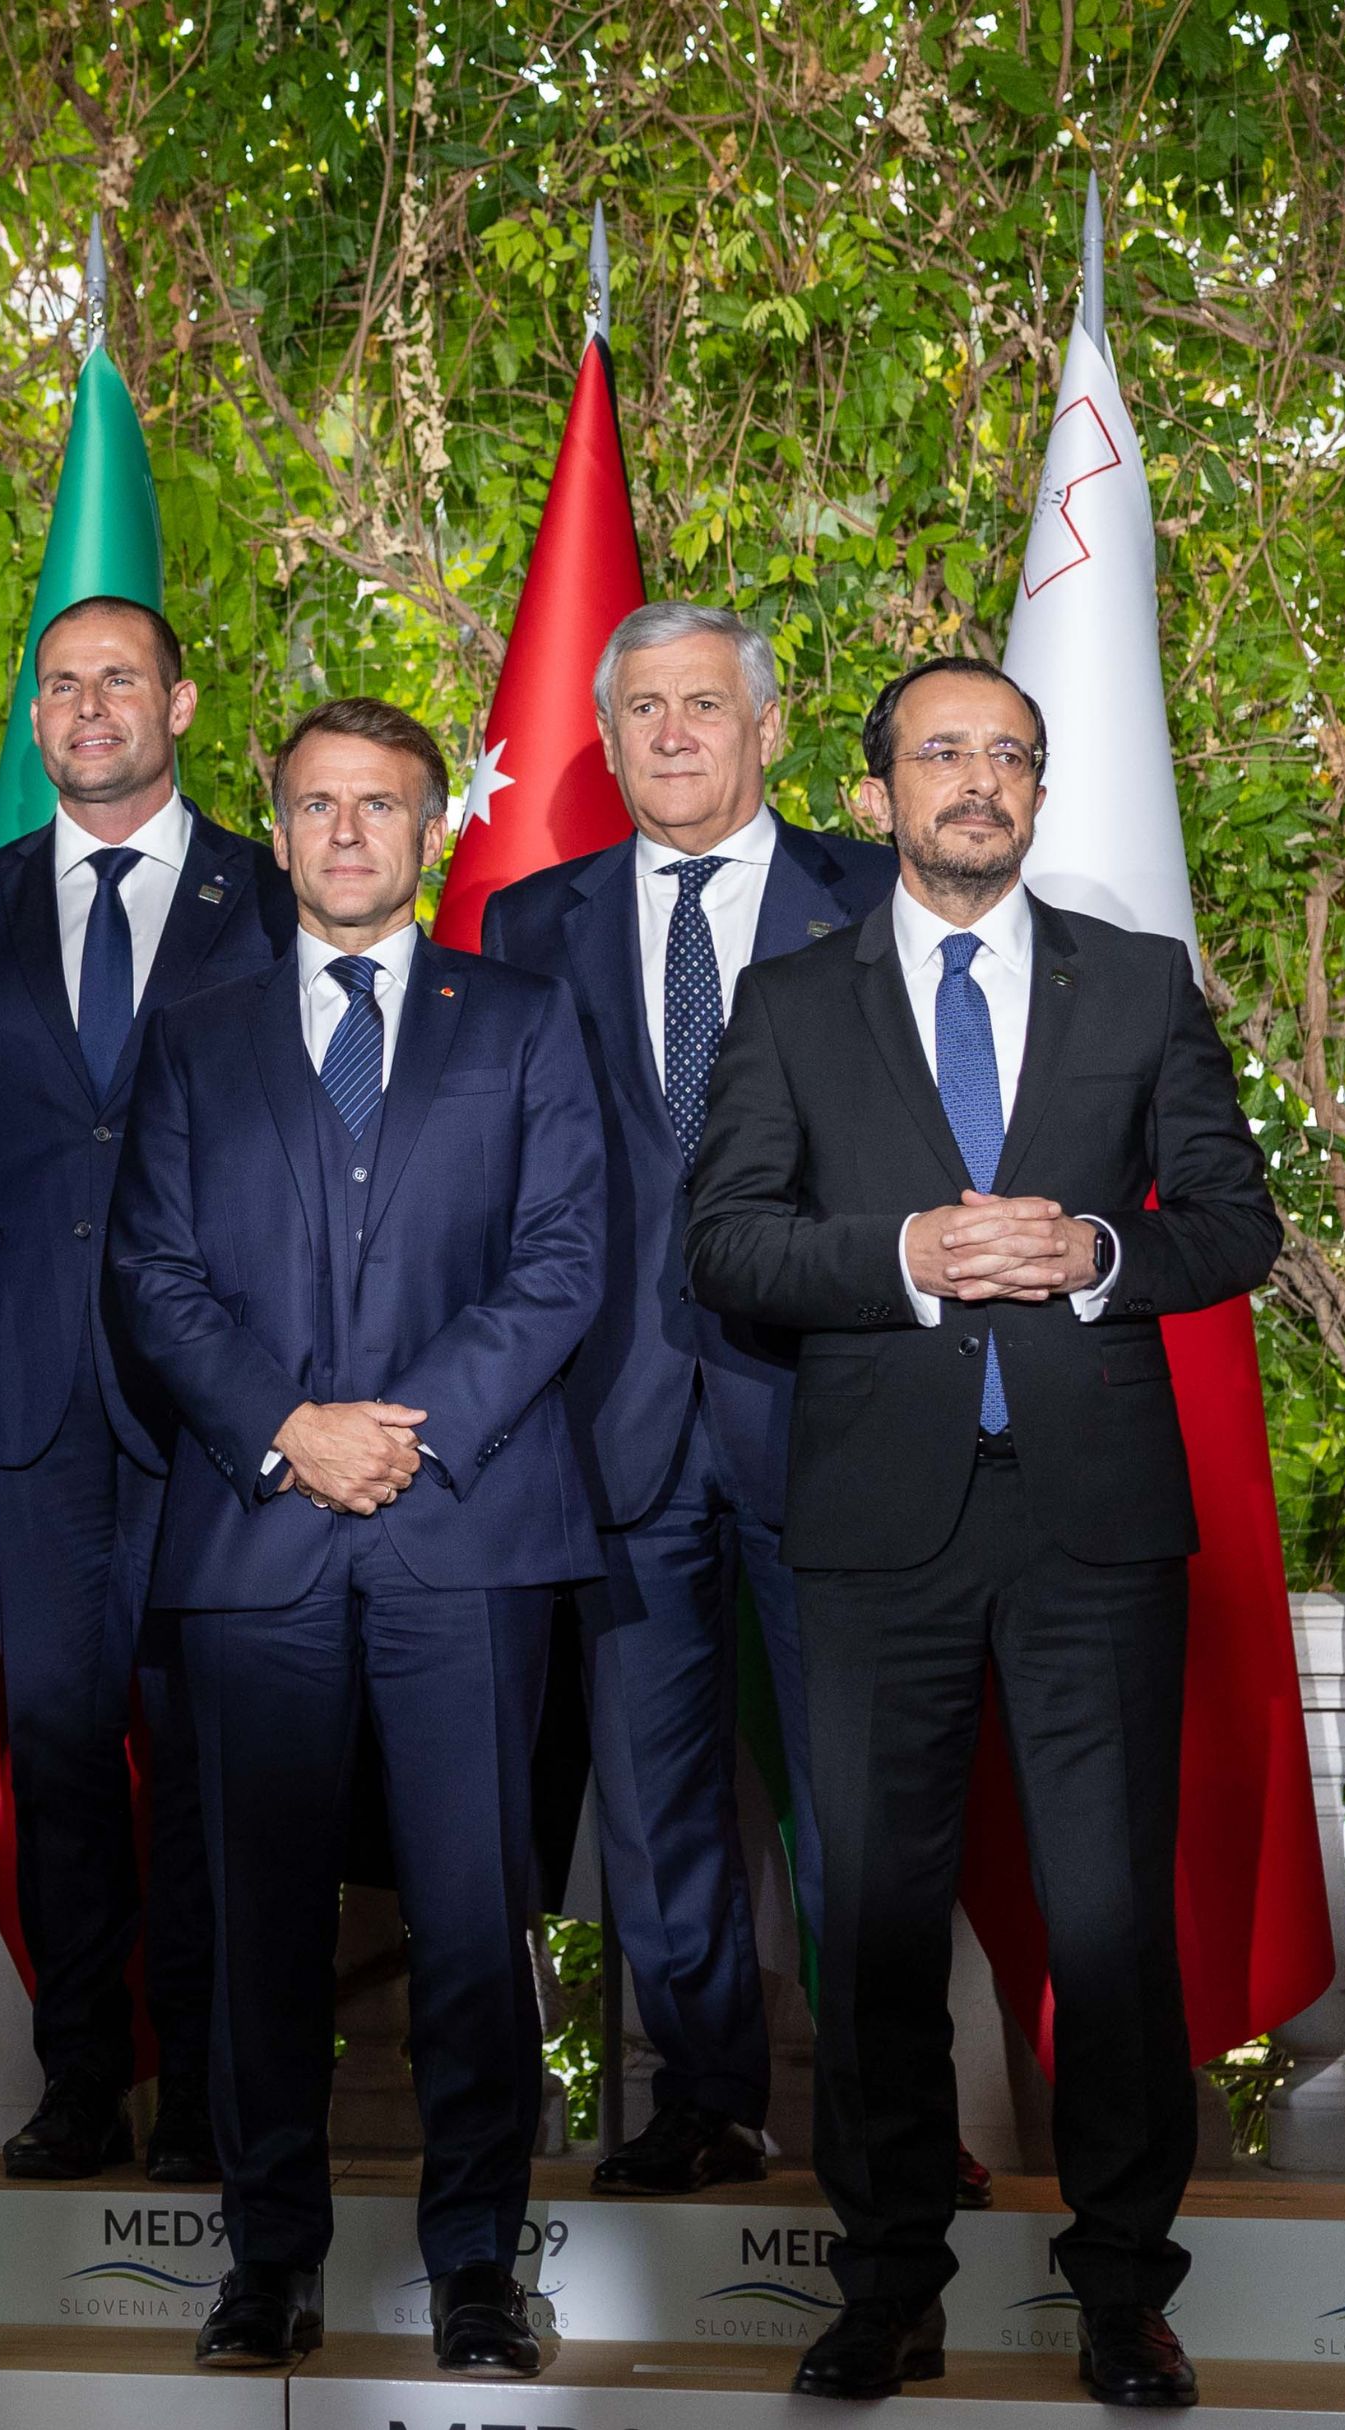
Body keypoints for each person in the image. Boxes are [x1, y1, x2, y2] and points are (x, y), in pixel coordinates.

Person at [685, 658, 1277, 2411]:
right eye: (943, 751)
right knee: (875, 1925)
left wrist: (1099, 1253)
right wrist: (903, 1258)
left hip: (1095, 1526)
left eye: (1009, 753)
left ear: (1037, 788)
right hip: (879, 1527)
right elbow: (724, 1241)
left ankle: (1124, 2293)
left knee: (1110, 1924)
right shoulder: (790, 1000)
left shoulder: (1140, 983)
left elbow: (1233, 1222)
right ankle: (887, 2288)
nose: (979, 778)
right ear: (876, 793)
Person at [108, 698, 602, 2382]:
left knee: (469, 1924)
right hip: (258, 1536)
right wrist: (290, 1430)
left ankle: (476, 2268)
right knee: (259, 1932)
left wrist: (406, 1431)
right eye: (315, 804)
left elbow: (564, 1260)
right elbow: (151, 1272)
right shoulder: (195, 1035)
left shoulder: (522, 1020)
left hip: (466, 1530)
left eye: (377, 804)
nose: (343, 831)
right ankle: (268, 2264)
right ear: (277, 830)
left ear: (430, 830)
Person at [476, 603, 896, 2198]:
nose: (671, 734)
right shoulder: (530, 923)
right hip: (617, 1423)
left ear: (767, 728)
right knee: (655, 1801)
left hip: (835, 1412)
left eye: (703, 705)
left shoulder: (876, 900)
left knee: (860, 1794)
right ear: (605, 739)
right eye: (642, 709)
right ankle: (707, 2097)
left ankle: (883, 2110)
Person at [0, 594, 289, 2184]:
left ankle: (205, 2084)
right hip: (28, 1409)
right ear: (36, 715)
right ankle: (82, 2080)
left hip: (221, 1413)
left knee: (214, 1762)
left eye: (119, 678)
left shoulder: (275, 895)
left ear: (178, 704)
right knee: (57, 1753)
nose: (88, 705)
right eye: (60, 683)